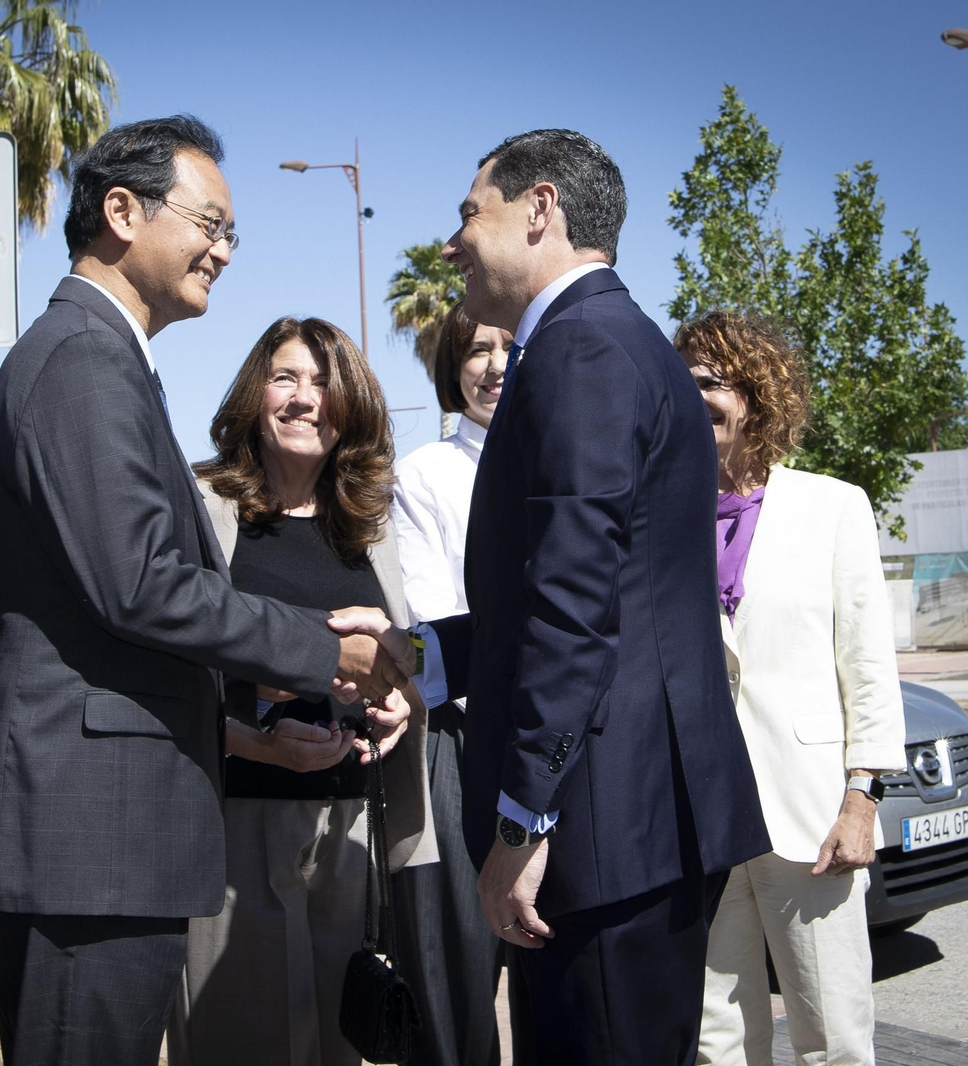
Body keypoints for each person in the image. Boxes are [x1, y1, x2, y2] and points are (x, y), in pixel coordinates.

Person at [0, 115, 410, 1066]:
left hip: (112, 839)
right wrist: (334, 653)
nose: (224, 249)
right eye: (209, 223)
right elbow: (143, 584)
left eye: (230, 232)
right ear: (122, 210)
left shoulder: (109, 357)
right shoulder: (82, 356)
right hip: (88, 840)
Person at [333, 128, 771, 1066]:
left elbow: (575, 611)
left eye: (468, 214)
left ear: (540, 209)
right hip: (630, 825)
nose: (452, 244)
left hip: (602, 830)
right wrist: (415, 659)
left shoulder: (582, 351)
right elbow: (561, 597)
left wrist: (526, 821)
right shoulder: (612, 342)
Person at [167, 316, 435, 1066]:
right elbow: (166, 665)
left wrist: (398, 705)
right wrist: (253, 738)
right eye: (286, 378)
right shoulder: (202, 503)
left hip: (350, 829)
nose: (304, 399)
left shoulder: (373, 525)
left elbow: (406, 649)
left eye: (324, 384)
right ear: (256, 393)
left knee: (335, 1049)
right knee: (240, 1046)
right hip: (230, 825)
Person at [674, 311, 906, 1066]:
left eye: (709, 381)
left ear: (757, 392)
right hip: (697, 819)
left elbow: (867, 665)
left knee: (831, 1035)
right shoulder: (658, 516)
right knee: (717, 1041)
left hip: (809, 819)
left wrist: (862, 796)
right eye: (681, 381)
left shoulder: (833, 507)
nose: (691, 395)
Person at [388, 301, 512, 1066]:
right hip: (466, 742)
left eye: (508, 346)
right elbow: (437, 614)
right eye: (475, 350)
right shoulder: (425, 473)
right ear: (449, 370)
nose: (494, 365)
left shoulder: (569, 457)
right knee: (462, 976)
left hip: (563, 739)